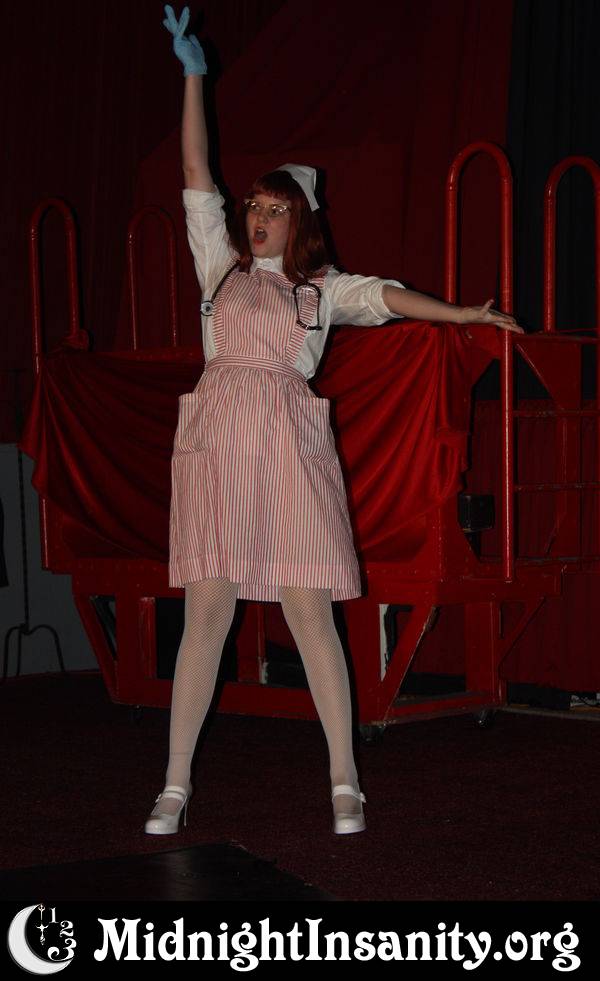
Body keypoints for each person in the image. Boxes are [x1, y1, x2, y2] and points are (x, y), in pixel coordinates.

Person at [145, 4, 523, 838]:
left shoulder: (323, 291)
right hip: (218, 444)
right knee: (206, 613)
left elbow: (389, 296)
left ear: (301, 220)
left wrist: (464, 314)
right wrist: (194, 76)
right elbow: (196, 170)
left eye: (274, 208)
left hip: (286, 446)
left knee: (308, 609)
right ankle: (174, 783)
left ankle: (345, 780)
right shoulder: (218, 268)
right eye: (253, 204)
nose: (256, 216)